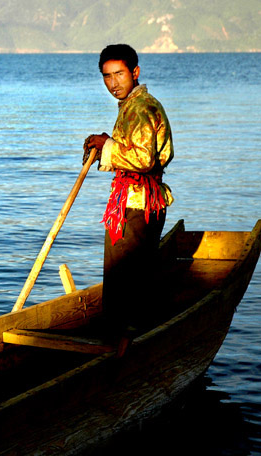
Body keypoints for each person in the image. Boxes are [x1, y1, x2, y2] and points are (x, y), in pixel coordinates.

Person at [83, 44, 174, 348]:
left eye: (119, 74)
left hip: (138, 205)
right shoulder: (133, 106)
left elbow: (144, 159)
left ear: (135, 72)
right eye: (107, 77)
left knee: (124, 278)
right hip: (133, 201)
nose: (114, 83)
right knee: (129, 277)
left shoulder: (141, 108)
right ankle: (129, 338)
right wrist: (107, 142)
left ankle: (123, 346)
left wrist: (106, 145)